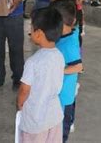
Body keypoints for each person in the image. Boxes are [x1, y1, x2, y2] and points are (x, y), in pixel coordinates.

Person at [17, 7, 65, 143]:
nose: (29, 31)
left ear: (38, 33)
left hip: (35, 120)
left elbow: (24, 90)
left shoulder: (33, 62)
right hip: (54, 116)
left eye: (31, 28)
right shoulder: (59, 56)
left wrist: (19, 104)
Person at [50, 0, 83, 143]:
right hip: (61, 90)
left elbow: (78, 67)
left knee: (61, 128)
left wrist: (57, 70)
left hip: (63, 93)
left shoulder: (69, 44)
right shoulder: (71, 31)